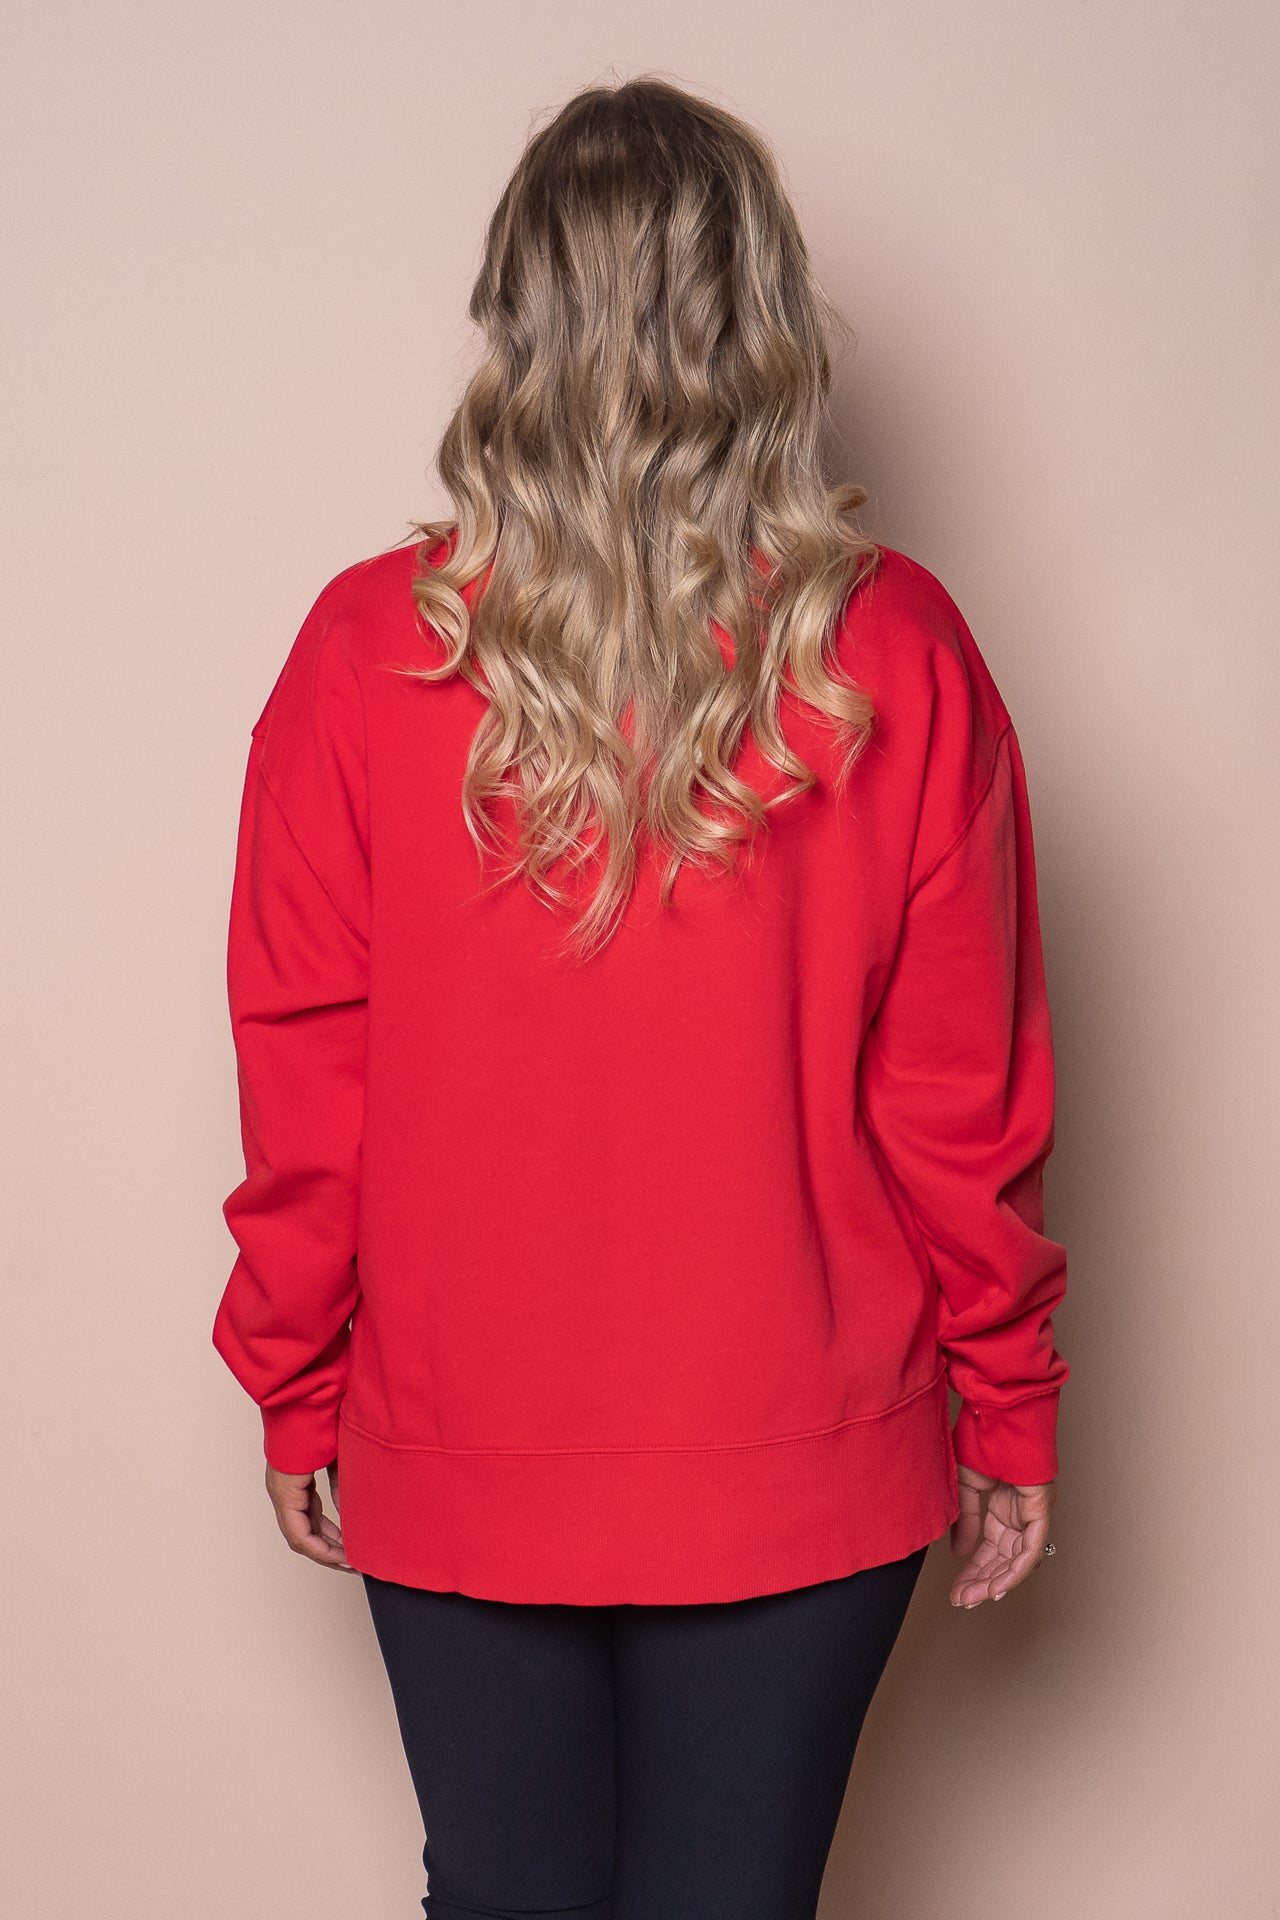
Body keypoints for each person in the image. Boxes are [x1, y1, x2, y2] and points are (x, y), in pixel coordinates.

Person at [211, 73, 1068, 1920]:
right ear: (768, 323)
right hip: (802, 1447)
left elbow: (304, 1068)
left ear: (514, 319)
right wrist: (1007, 1398)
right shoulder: (899, 652)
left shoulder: (364, 655)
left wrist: (294, 1377)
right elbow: (961, 1098)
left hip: (467, 1433)